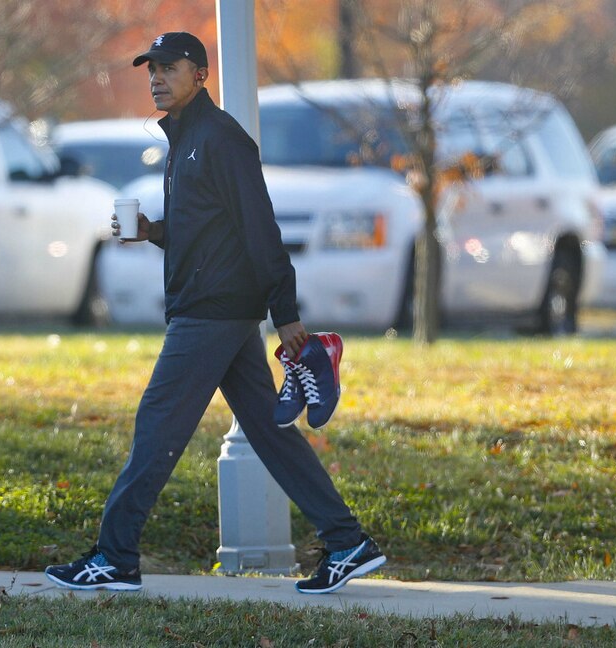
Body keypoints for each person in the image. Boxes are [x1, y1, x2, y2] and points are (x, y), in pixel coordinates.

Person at [45, 32, 385, 595]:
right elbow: (208, 232)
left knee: (156, 426)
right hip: (214, 309)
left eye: (169, 68)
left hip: (212, 314)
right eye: (151, 69)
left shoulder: (221, 139)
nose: (156, 78)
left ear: (200, 74)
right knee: (271, 434)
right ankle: (348, 542)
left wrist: (287, 313)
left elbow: (259, 227)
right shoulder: (184, 138)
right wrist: (154, 233)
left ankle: (114, 556)